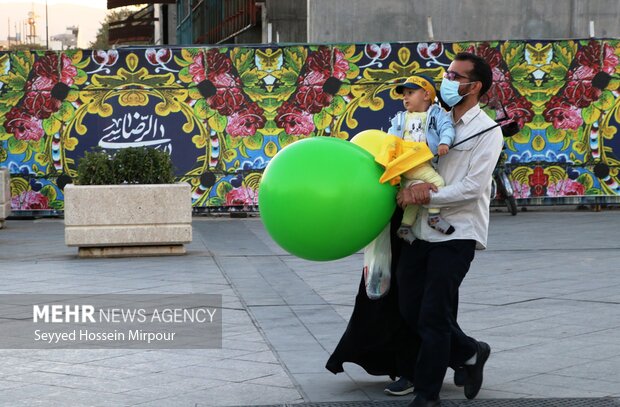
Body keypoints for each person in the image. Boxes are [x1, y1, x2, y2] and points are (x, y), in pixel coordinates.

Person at [393, 52, 504, 407]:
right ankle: (471, 352)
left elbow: (473, 186)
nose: (447, 80)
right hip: (420, 229)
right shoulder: (432, 117)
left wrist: (425, 195)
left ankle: (427, 396)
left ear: (475, 87)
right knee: (410, 308)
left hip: (457, 233)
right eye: (448, 73)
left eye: (456, 76)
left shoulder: (486, 130)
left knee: (433, 317)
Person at [386, 74, 456, 240]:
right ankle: (434, 216)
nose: (405, 97)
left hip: (419, 163)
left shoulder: (436, 114)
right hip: (405, 165)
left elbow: (447, 128)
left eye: (410, 92)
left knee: (414, 198)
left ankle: (405, 227)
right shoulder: (400, 118)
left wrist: (444, 143)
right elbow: (389, 138)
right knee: (438, 183)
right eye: (404, 94)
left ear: (426, 95)